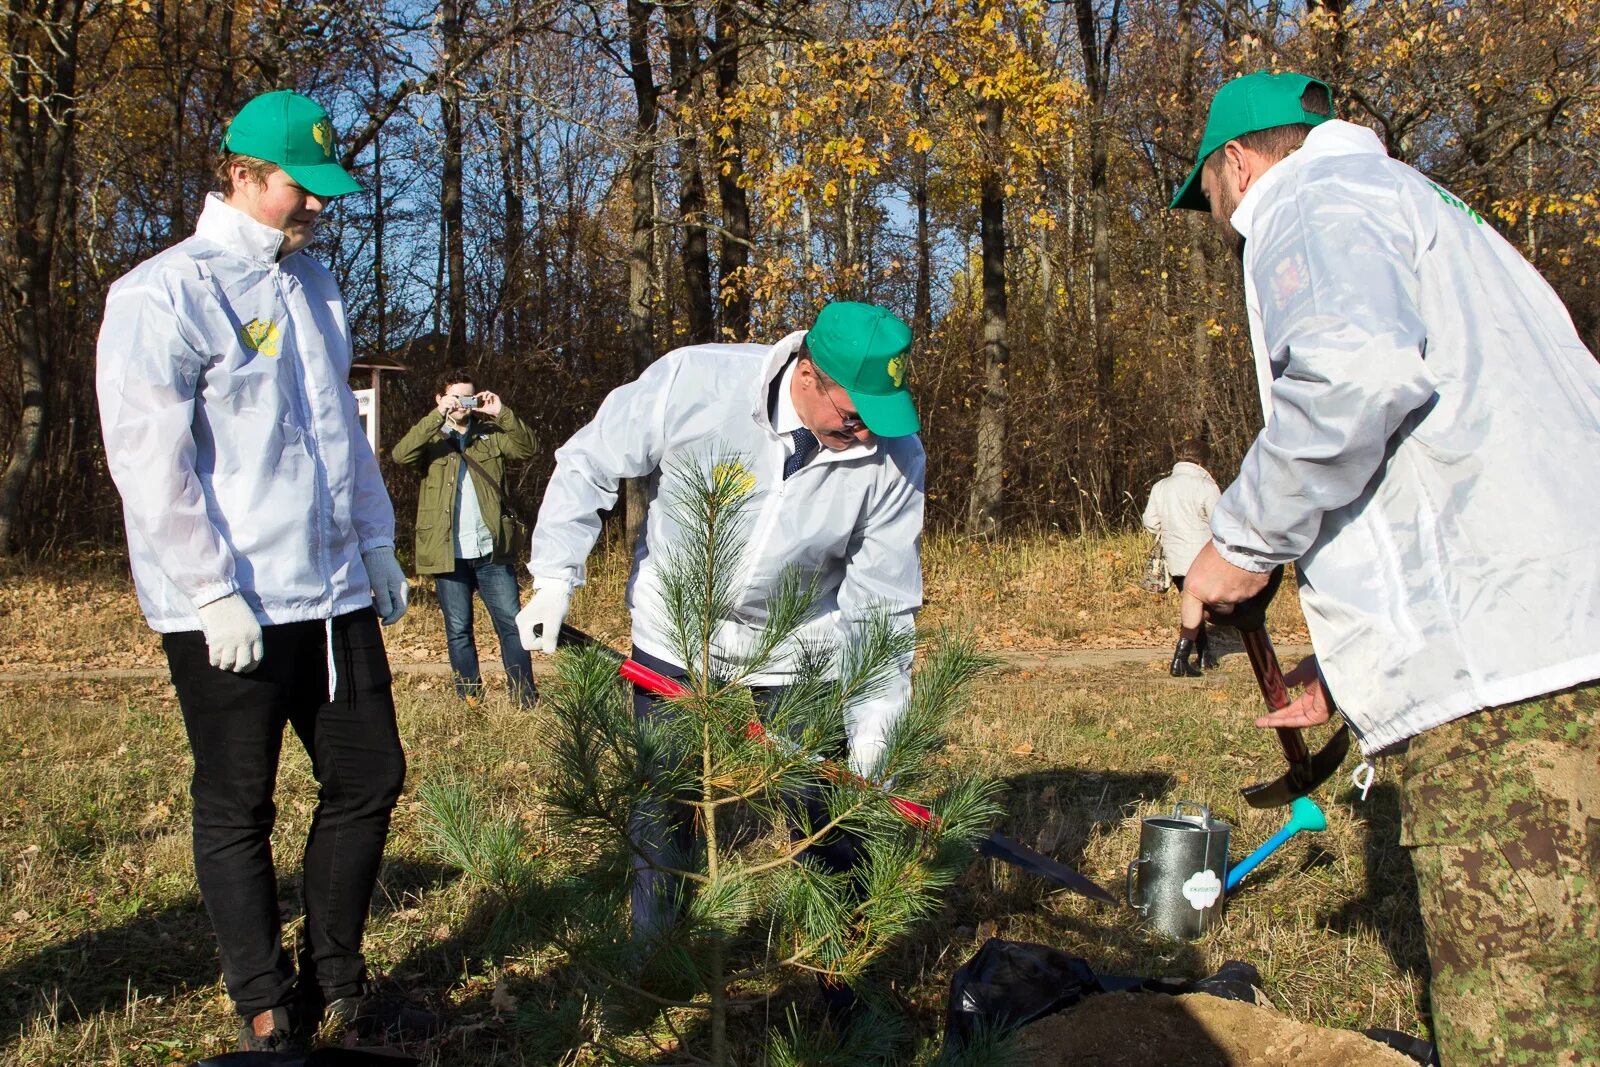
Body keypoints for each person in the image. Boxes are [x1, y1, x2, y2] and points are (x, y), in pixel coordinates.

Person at [1172, 70, 1600, 1064]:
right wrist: (1358, 665)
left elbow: (1354, 381)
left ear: (1237, 162)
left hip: (1505, 677)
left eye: (1210, 200)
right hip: (1558, 640)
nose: (1221, 222)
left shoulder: (1305, 205)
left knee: (1522, 1013)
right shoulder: (1429, 211)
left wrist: (1236, 545)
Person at [96, 90, 432, 1054]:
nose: (317, 207)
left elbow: (340, 437)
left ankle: (340, 984)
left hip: (331, 595)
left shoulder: (315, 285)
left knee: (370, 777)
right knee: (238, 799)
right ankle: (266, 1007)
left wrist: (375, 540)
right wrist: (207, 587)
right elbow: (149, 463)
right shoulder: (161, 293)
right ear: (240, 174)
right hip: (231, 603)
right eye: (299, 188)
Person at [514, 300, 924, 1010]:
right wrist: (554, 575)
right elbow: (587, 461)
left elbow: (883, 603)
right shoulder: (694, 382)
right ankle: (655, 971)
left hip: (801, 650)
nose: (867, 434)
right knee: (663, 811)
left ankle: (836, 984)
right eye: (855, 415)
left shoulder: (894, 456)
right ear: (808, 373)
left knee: (827, 822)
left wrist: (875, 735)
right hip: (674, 636)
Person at [393, 369, 538, 708]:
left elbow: (528, 448)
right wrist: (436, 417)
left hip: (490, 549)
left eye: (467, 397)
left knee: (512, 626)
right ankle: (470, 698)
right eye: (454, 397)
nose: (461, 404)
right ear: (440, 399)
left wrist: (501, 412)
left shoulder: (490, 435)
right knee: (458, 631)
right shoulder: (430, 440)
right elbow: (400, 455)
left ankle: (524, 699)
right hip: (448, 551)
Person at [1140, 441, 1221, 677]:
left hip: (1175, 559)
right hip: (1203, 557)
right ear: (1204, 461)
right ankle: (1180, 659)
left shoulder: (1161, 486)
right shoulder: (1206, 486)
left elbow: (1150, 521)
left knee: (1192, 602)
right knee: (1204, 606)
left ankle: (1206, 655)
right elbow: (1220, 523)